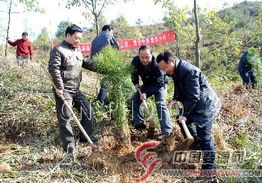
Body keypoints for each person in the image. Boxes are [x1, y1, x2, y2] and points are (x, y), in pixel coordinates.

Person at [156, 51, 221, 170]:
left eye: (165, 68)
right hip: (195, 103)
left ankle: (210, 170)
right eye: (162, 70)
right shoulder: (175, 71)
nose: (165, 71)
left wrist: (185, 114)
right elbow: (178, 86)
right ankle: (196, 145)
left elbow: (193, 96)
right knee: (181, 120)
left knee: (204, 136)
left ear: (172, 61)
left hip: (206, 105)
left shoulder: (190, 71)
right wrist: (176, 98)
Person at [48, 24, 99, 154]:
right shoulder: (58, 50)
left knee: (87, 110)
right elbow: (54, 69)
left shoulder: (77, 51)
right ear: (68, 35)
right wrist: (59, 88)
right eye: (76, 38)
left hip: (76, 89)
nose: (78, 41)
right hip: (63, 89)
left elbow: (86, 63)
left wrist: (105, 68)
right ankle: (69, 145)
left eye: (80, 38)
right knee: (65, 117)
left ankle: (85, 136)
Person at [131, 45, 173, 139]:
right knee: (135, 99)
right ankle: (139, 125)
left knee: (160, 103)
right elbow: (133, 72)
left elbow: (158, 84)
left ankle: (167, 131)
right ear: (138, 55)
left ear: (151, 55)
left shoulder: (157, 65)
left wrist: (146, 93)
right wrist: (136, 83)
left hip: (159, 85)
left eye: (147, 57)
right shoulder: (136, 61)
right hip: (147, 83)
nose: (144, 60)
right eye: (142, 57)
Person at [91, 24, 120, 105]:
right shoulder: (109, 35)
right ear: (108, 30)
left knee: (104, 82)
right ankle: (101, 102)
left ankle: (101, 100)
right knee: (106, 83)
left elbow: (92, 55)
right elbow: (117, 47)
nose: (112, 33)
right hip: (108, 62)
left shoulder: (94, 39)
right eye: (112, 31)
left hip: (97, 63)